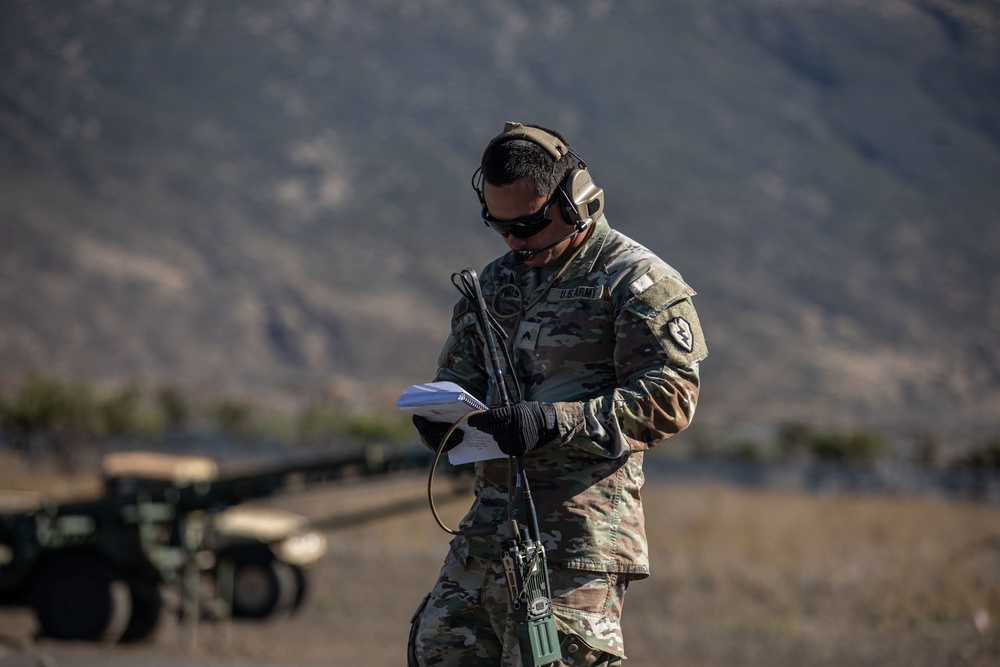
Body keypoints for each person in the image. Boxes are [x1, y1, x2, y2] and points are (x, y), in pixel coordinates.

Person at [408, 122, 708, 667]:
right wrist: (440, 416)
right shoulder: (496, 283)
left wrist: (556, 422)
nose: (514, 241)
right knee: (438, 650)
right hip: (488, 534)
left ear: (577, 200)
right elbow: (461, 376)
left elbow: (672, 396)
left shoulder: (633, 280)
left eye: (528, 224)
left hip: (576, 539)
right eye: (499, 227)